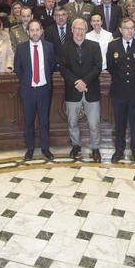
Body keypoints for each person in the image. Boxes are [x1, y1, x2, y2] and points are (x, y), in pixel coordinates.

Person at [59, 18, 103, 162]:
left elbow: (97, 66)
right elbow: (63, 68)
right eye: (77, 29)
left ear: (86, 30)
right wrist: (76, 82)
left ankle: (95, 148)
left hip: (91, 90)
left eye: (82, 29)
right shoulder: (64, 47)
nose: (79, 32)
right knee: (72, 123)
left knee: (94, 123)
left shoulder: (94, 46)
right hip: (73, 91)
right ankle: (76, 145)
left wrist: (84, 81)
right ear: (72, 30)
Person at [108, 17, 135, 163]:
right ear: (120, 30)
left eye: (132, 28)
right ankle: (119, 150)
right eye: (126, 28)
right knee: (119, 123)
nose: (129, 30)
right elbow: (111, 67)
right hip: (118, 91)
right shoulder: (113, 46)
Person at [14, 20, 56, 161]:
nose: (35, 32)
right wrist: (27, 82)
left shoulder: (49, 47)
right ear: (27, 32)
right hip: (28, 90)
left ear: (42, 30)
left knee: (44, 121)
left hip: (44, 89)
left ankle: (45, 148)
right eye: (32, 30)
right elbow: (17, 69)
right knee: (29, 121)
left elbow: (51, 66)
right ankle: (30, 149)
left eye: (37, 29)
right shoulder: (21, 48)